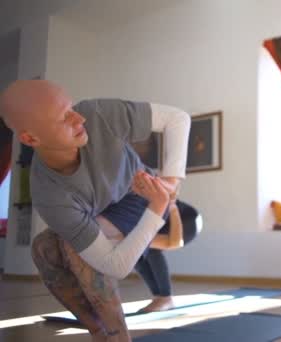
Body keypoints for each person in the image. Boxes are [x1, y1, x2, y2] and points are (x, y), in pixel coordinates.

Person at [0, 79, 190, 342]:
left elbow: (177, 119)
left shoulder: (96, 114)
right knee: (42, 248)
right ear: (31, 138)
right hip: (107, 212)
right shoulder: (49, 194)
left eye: (72, 107)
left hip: (139, 197)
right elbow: (115, 265)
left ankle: (116, 337)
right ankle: (96, 330)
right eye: (64, 117)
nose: (79, 119)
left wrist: (169, 184)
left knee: (71, 248)